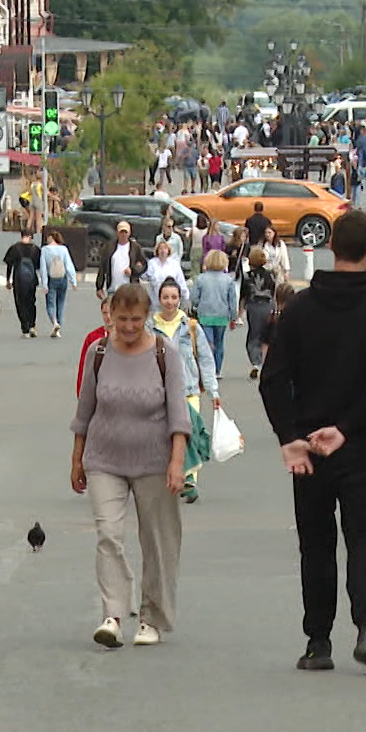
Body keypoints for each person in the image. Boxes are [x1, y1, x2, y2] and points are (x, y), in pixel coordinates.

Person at [259, 210, 366, 675]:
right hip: (358, 442)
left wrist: (290, 437)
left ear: (332, 248)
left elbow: (273, 379)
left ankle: (317, 641)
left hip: (308, 446)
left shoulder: (302, 307)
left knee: (316, 543)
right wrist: (346, 427)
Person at [70, 284, 191, 648]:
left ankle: (151, 617)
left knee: (158, 541)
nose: (127, 326)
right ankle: (113, 615)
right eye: (121, 319)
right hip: (104, 459)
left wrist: (176, 461)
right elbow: (84, 410)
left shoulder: (163, 354)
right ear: (110, 315)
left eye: (135, 319)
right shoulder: (99, 352)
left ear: (147, 317)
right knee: (108, 534)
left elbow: (178, 414)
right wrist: (77, 458)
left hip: (154, 461)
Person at [151, 279, 221, 504]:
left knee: (187, 433)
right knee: (165, 435)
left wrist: (213, 390)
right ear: (159, 299)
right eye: (165, 297)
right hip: (159, 390)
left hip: (188, 388)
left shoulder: (190, 326)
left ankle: (189, 479)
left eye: (174, 297)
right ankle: (171, 475)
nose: (170, 302)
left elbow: (206, 360)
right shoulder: (149, 327)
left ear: (179, 299)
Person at [190, 250, 239, 373]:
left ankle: (208, 368)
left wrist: (197, 306)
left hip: (205, 314)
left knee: (207, 342)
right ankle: (218, 369)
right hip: (222, 315)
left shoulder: (201, 279)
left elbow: (194, 298)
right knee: (219, 342)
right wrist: (233, 317)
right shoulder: (228, 280)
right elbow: (232, 301)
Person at [239, 248, 276, 380]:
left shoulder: (247, 276)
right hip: (268, 305)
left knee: (254, 334)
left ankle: (256, 362)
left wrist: (239, 311)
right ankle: (266, 360)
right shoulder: (271, 274)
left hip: (253, 306)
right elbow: (273, 291)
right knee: (267, 335)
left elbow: (243, 294)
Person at [39, 229, 78, 339]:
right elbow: (69, 265)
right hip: (62, 279)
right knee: (60, 303)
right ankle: (58, 329)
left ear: (50, 238)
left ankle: (55, 322)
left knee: (50, 304)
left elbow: (43, 269)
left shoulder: (45, 250)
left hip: (51, 279)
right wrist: (73, 281)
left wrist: (45, 284)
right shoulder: (63, 249)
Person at [97, 221, 149, 299]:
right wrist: (99, 287)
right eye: (121, 232)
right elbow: (102, 267)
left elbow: (144, 264)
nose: (123, 234)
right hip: (113, 289)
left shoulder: (135, 247)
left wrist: (133, 270)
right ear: (117, 233)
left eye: (125, 232)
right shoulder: (109, 247)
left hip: (130, 290)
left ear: (129, 233)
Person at [5, 230, 43, 337]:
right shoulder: (36, 249)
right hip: (31, 280)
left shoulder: (14, 248)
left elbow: (9, 265)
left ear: (21, 236)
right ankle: (32, 325)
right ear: (31, 237)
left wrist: (8, 280)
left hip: (18, 280)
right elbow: (39, 266)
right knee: (31, 302)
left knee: (20, 303)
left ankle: (25, 328)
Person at [145, 238, 189, 306]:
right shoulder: (151, 263)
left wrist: (186, 297)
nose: (163, 251)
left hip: (171, 301)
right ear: (157, 251)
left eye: (165, 248)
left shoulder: (174, 264)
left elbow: (181, 281)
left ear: (168, 251)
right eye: (160, 249)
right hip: (155, 301)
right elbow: (146, 278)